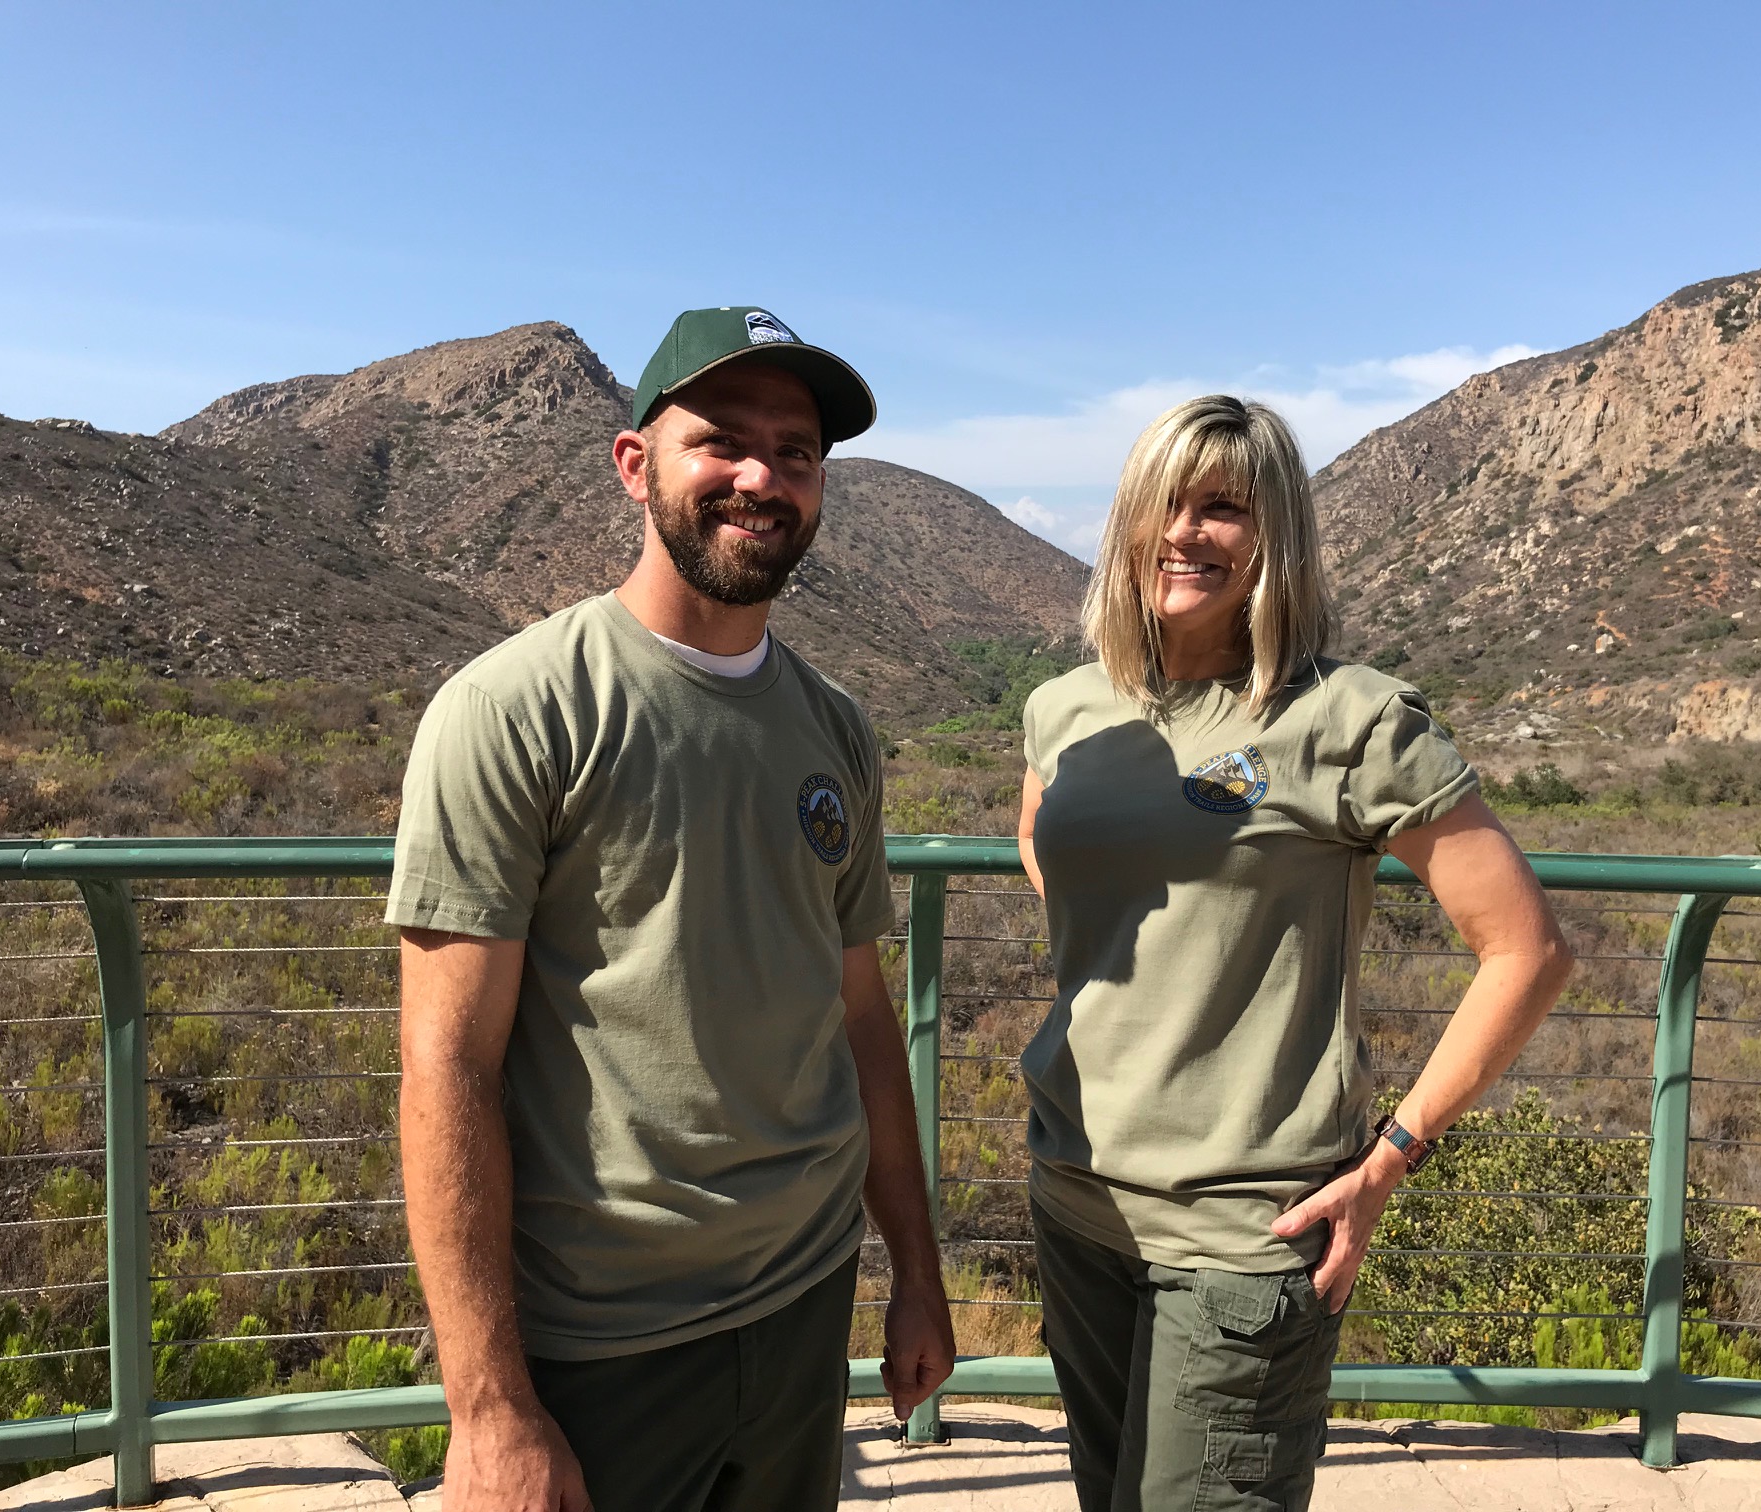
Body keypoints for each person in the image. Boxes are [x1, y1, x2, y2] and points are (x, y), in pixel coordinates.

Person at [390, 307, 955, 1512]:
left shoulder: (836, 727)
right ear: (635, 465)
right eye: (722, 442)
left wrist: (915, 1269)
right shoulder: (516, 710)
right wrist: (488, 1408)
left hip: (805, 1306)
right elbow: (447, 1063)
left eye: (796, 452)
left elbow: (863, 1021)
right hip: (602, 1345)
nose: (762, 478)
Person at [1014, 395, 1573, 1512]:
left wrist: (1390, 1158)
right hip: (1076, 1206)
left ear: (1274, 537)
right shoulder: (1066, 709)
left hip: (1244, 1238)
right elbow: (1043, 842)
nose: (1184, 532)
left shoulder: (1353, 721)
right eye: (1163, 504)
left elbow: (1527, 951)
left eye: (1221, 508)